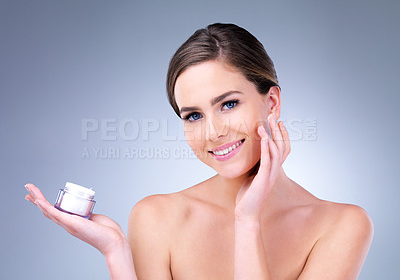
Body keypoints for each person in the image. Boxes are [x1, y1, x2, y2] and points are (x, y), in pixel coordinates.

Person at [24, 23, 374, 279]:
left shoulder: (341, 226)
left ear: (272, 102)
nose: (212, 132)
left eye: (229, 104)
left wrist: (247, 221)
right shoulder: (157, 217)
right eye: (193, 115)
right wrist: (116, 251)